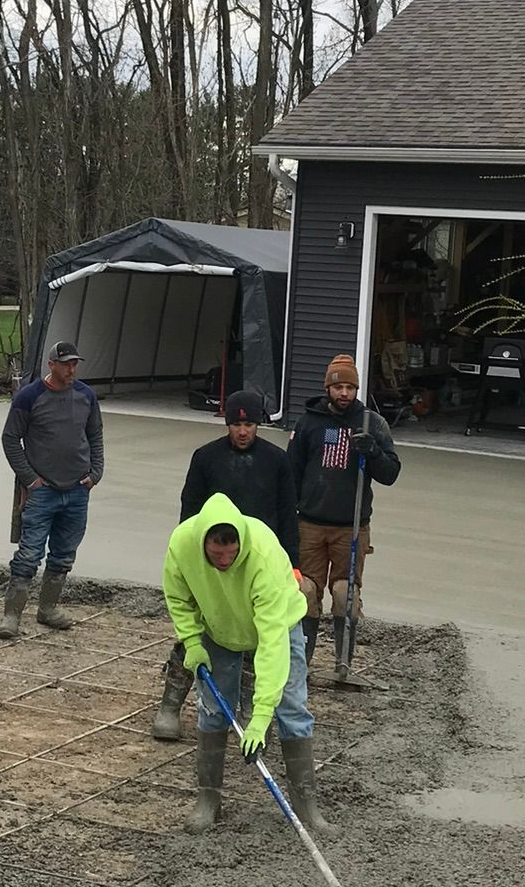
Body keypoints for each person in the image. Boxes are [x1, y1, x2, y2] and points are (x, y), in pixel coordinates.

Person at [162, 492, 326, 835]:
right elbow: (178, 597)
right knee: (212, 709)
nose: (224, 561)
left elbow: (272, 642)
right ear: (203, 542)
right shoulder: (182, 543)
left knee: (292, 707)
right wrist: (192, 640)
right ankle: (208, 801)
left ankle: (306, 807)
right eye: (216, 554)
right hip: (219, 626)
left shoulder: (262, 556)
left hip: (278, 623)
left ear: (241, 544)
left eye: (231, 554)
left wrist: (262, 712)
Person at [151, 387, 298, 741]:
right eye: (235, 424)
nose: (242, 431)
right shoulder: (206, 458)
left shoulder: (277, 461)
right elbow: (189, 513)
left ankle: (247, 711)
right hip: (209, 562)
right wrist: (191, 562)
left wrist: (291, 563)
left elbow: (288, 516)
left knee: (256, 641)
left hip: (256, 564)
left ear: (259, 425)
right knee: (196, 636)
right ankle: (170, 705)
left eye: (249, 425)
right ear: (227, 424)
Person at [286, 354, 401, 664]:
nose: (345, 394)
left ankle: (343, 662)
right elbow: (291, 472)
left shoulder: (371, 423)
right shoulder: (308, 422)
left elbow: (391, 473)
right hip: (309, 523)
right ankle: (301, 662)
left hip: (351, 527)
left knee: (344, 595)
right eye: (339, 387)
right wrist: (287, 515)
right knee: (306, 592)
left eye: (351, 387)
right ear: (328, 388)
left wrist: (373, 452)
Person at [0, 339, 104, 640]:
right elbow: (10, 439)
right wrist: (30, 479)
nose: (72, 368)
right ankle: (11, 614)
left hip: (77, 489)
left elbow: (95, 435)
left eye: (75, 363)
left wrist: (96, 473)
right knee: (29, 554)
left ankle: (48, 609)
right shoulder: (29, 397)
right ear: (51, 365)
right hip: (42, 491)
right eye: (66, 363)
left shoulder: (86, 396)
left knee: (64, 554)